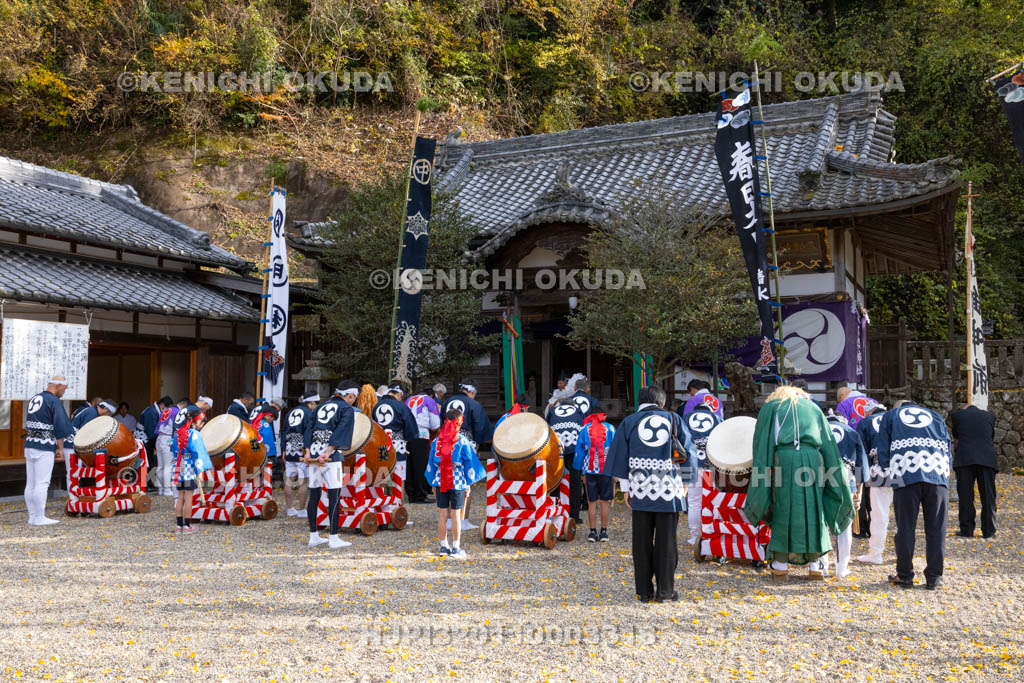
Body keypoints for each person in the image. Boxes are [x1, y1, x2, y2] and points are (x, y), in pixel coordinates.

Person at [743, 385, 853, 581]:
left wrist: (762, 471)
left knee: (783, 507)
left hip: (783, 460)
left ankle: (780, 565)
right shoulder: (813, 408)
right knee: (814, 508)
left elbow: (760, 441)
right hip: (813, 459)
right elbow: (828, 444)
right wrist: (835, 477)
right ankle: (815, 565)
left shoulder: (772, 407)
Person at [604, 386, 696, 603]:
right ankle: (665, 592)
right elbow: (690, 453)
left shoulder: (629, 422)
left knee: (641, 542)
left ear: (640, 402)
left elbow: (620, 456)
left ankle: (644, 592)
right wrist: (685, 485)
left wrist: (625, 490)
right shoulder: (674, 419)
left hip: (640, 489)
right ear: (661, 402)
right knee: (667, 543)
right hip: (669, 491)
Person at [876, 400, 952, 590]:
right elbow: (948, 445)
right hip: (936, 472)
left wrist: (887, 468)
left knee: (906, 527)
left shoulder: (891, 415)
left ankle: (905, 575)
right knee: (936, 528)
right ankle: (935, 577)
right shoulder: (935, 415)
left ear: (898, 407)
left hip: (905, 471)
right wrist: (945, 472)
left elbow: (883, 446)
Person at [304, 382, 358, 549]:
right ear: (350, 396)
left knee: (314, 494)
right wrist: (328, 452)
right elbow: (341, 431)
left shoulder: (321, 407)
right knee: (334, 494)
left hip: (314, 454)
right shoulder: (346, 409)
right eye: (353, 398)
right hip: (330, 457)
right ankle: (333, 537)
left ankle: (313, 536)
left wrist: (307, 452)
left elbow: (309, 429)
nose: (353, 401)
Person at [426, 408, 485, 559]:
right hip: (457, 479)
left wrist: (433, 482)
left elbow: (431, 463)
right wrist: (468, 483)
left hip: (440, 479)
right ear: (459, 422)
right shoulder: (462, 441)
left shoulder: (436, 441)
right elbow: (469, 463)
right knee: (456, 514)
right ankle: (456, 548)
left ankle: (443, 547)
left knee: (442, 514)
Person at [23, 375, 74, 526]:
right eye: (64, 389)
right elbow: (60, 427)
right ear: (58, 386)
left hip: (30, 443)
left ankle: (32, 516)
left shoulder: (35, 398)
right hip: (44, 446)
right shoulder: (53, 401)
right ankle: (39, 517)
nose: (63, 392)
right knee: (42, 483)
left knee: (31, 483)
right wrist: (60, 448)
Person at [441, 383, 493, 528]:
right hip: (465, 444)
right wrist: (477, 442)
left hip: (445, 443)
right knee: (465, 481)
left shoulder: (446, 403)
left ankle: (449, 520)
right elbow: (480, 426)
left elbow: (441, 423)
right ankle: (462, 520)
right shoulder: (474, 404)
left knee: (448, 480)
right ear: (470, 391)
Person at [824, 412, 869, 578]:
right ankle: (841, 567)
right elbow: (861, 465)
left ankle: (822, 566)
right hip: (846, 479)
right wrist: (859, 491)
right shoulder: (852, 432)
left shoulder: (818, 429)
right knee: (845, 526)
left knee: (821, 524)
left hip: (818, 480)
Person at [950, 402, 998, 539]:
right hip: (987, 459)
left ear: (963, 408)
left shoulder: (957, 415)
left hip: (965, 458)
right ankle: (989, 531)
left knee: (966, 496)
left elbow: (956, 434)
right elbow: (990, 435)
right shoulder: (990, 416)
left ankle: (967, 530)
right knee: (988, 496)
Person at [857, 405, 895, 564]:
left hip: (878, 468)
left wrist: (860, 478)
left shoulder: (865, 422)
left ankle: (876, 553)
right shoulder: (895, 419)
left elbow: (860, 452)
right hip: (902, 467)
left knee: (879, 513)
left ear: (869, 412)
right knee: (906, 514)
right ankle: (905, 552)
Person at [574, 408, 617, 542]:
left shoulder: (584, 429)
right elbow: (616, 450)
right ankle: (604, 532)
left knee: (591, 502)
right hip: (607, 469)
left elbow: (579, 451)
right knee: (604, 501)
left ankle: (592, 532)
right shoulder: (610, 429)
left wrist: (580, 470)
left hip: (589, 469)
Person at [683, 403, 723, 545]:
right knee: (716, 500)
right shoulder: (717, 419)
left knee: (694, 502)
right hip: (711, 466)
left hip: (691, 465)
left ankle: (695, 536)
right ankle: (715, 533)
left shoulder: (686, 418)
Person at [171, 404, 212, 534]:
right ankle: (187, 526)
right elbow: (198, 454)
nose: (202, 426)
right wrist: (199, 471)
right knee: (189, 498)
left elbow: (173, 449)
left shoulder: (178, 434)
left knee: (180, 498)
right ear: (198, 421)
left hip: (178, 468)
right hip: (189, 469)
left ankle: (178, 526)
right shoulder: (194, 435)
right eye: (202, 423)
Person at [373, 385, 419, 495]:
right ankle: (397, 504)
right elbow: (411, 429)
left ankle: (384, 501)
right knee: (399, 476)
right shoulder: (401, 406)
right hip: (398, 445)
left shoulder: (376, 406)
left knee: (384, 473)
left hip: (381, 443)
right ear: (398, 395)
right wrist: (408, 439)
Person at [64, 399, 116, 491]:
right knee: (74, 472)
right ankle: (73, 495)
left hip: (73, 443)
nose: (108, 416)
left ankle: (74, 494)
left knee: (74, 472)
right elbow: (85, 434)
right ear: (106, 409)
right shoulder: (92, 414)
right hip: (72, 444)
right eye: (109, 414)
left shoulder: (92, 411)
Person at [548, 398, 585, 522]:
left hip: (557, 449)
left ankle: (555, 511)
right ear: (572, 405)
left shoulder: (553, 411)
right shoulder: (578, 411)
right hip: (574, 449)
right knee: (575, 481)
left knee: (556, 479)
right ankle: (574, 515)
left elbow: (548, 427)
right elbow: (583, 429)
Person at [283, 392, 319, 517]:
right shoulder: (309, 414)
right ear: (312, 403)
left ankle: (289, 508)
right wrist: (308, 451)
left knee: (289, 480)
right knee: (302, 481)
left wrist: (283, 449)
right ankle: (302, 510)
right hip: (302, 450)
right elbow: (309, 433)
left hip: (289, 448)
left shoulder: (290, 412)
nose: (316, 407)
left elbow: (284, 431)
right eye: (316, 404)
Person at [406, 387, 441, 504]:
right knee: (421, 466)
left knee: (410, 466)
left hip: (408, 435)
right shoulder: (429, 400)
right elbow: (435, 423)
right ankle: (420, 495)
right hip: (422, 434)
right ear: (431, 395)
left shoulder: (409, 399)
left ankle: (411, 494)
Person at [155, 400, 187, 496]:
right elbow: (178, 428)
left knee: (160, 466)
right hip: (168, 438)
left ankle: (161, 489)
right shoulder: (177, 412)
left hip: (160, 438)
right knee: (168, 466)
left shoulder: (166, 410)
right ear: (184, 406)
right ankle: (167, 489)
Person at [140, 396, 172, 484]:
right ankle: (147, 484)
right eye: (166, 408)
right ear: (161, 404)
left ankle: (149, 483)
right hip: (144, 439)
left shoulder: (154, 410)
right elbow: (151, 432)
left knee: (149, 461)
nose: (166, 410)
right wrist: (158, 445)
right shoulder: (152, 412)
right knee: (147, 462)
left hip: (148, 439)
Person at [252, 403, 279, 478]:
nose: (272, 420)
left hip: (253, 452)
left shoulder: (256, 422)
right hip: (265, 455)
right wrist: (273, 455)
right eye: (273, 418)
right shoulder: (266, 425)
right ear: (269, 415)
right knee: (266, 477)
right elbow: (269, 442)